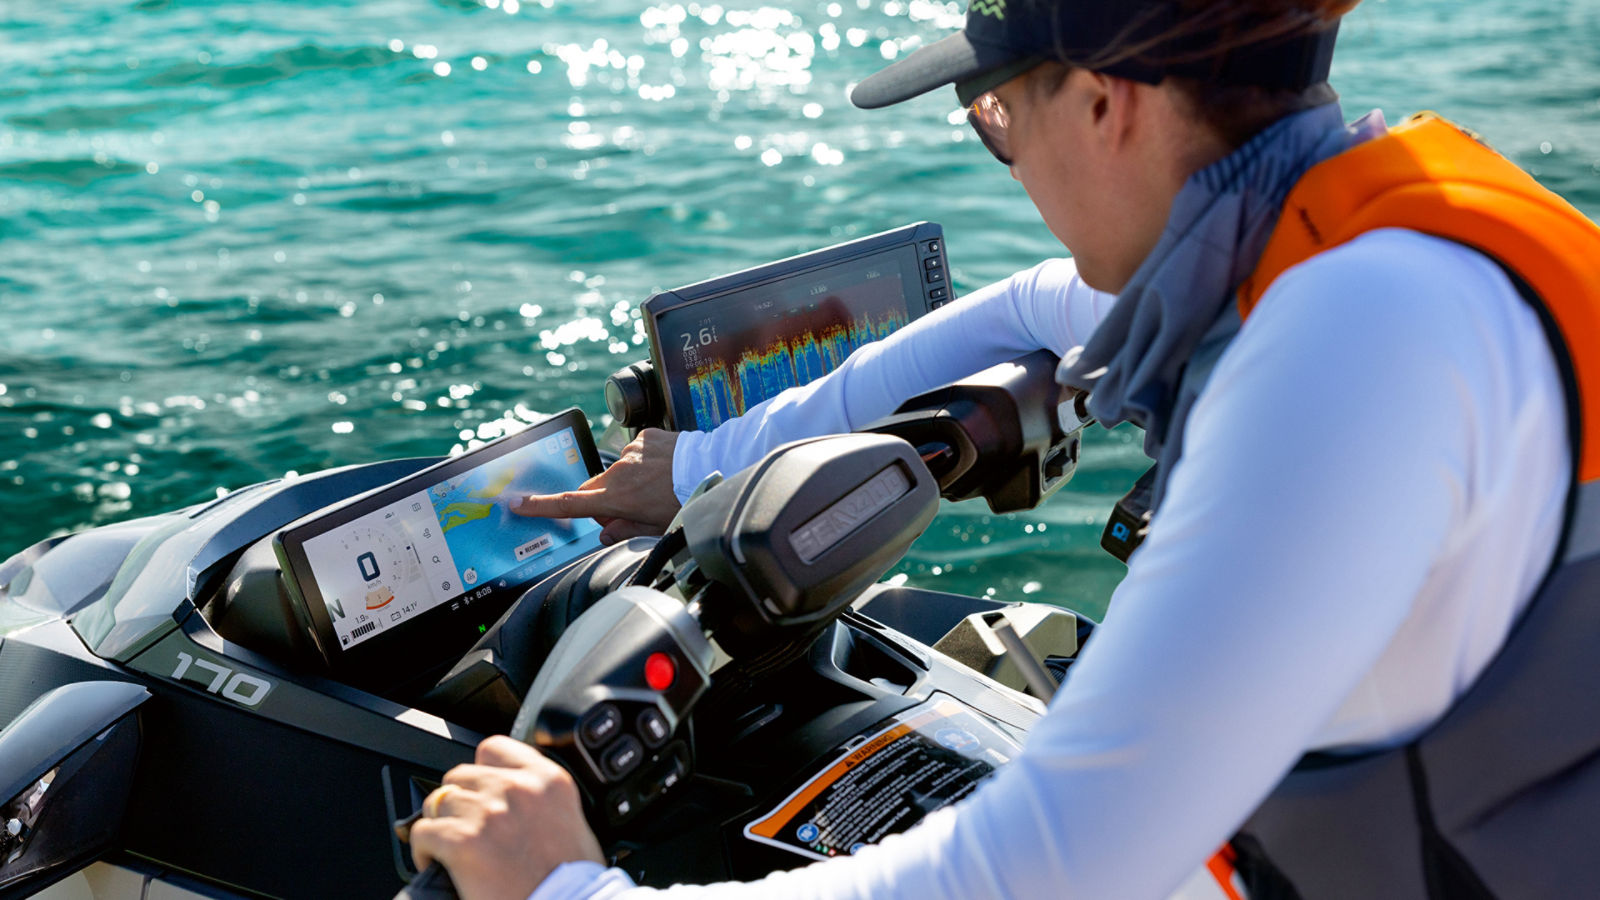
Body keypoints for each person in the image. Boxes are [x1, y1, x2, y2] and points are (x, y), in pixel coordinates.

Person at [416, 1, 1600, 897]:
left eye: (995, 120)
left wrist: (564, 888)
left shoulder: (1343, 350)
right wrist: (702, 461)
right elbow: (1036, 305)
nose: (1010, 159)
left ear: (1103, 102)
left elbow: (1054, 864)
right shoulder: (1361, 251)